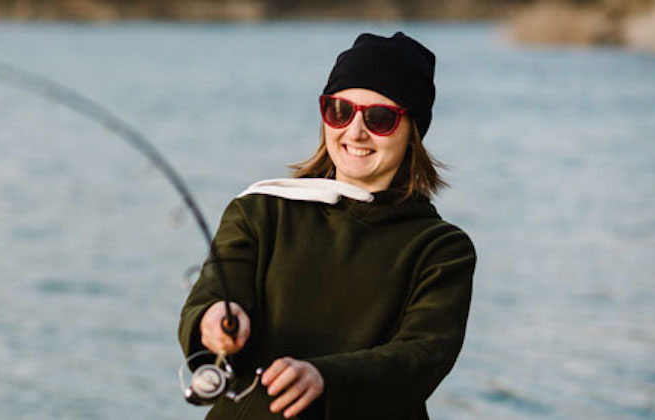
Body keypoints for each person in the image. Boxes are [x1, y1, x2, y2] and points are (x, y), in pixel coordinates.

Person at [178, 32, 476, 419]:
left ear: (412, 133)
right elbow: (212, 295)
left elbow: (423, 357)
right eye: (340, 110)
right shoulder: (259, 210)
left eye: (380, 118)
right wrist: (212, 320)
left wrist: (325, 377)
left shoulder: (440, 247)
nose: (354, 131)